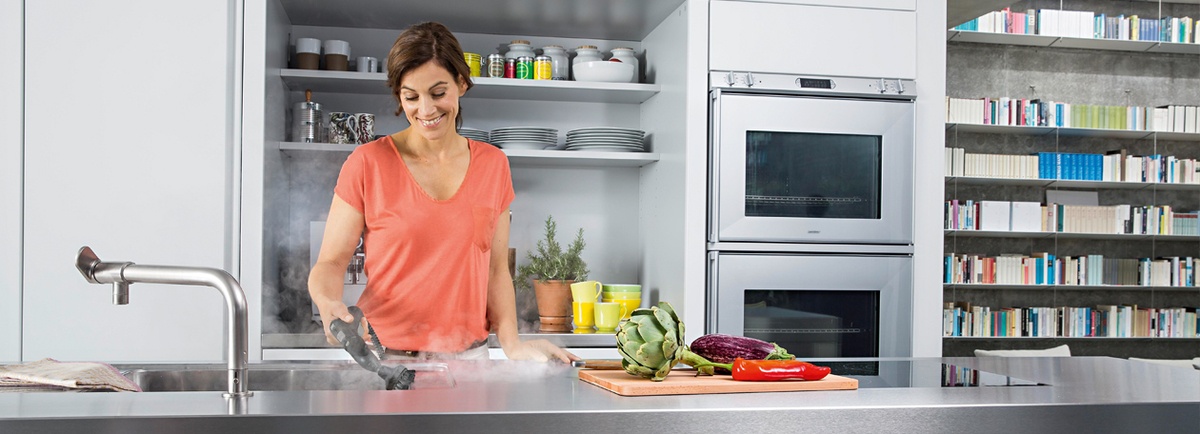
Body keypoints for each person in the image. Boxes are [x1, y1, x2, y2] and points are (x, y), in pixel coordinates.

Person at [308, 22, 576, 363]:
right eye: (411, 97)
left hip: (470, 360)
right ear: (398, 95)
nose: (426, 110)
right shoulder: (368, 163)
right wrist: (328, 302)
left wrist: (512, 343)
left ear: (461, 83)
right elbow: (330, 262)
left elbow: (496, 271)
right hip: (387, 360)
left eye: (438, 93)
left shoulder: (493, 165)